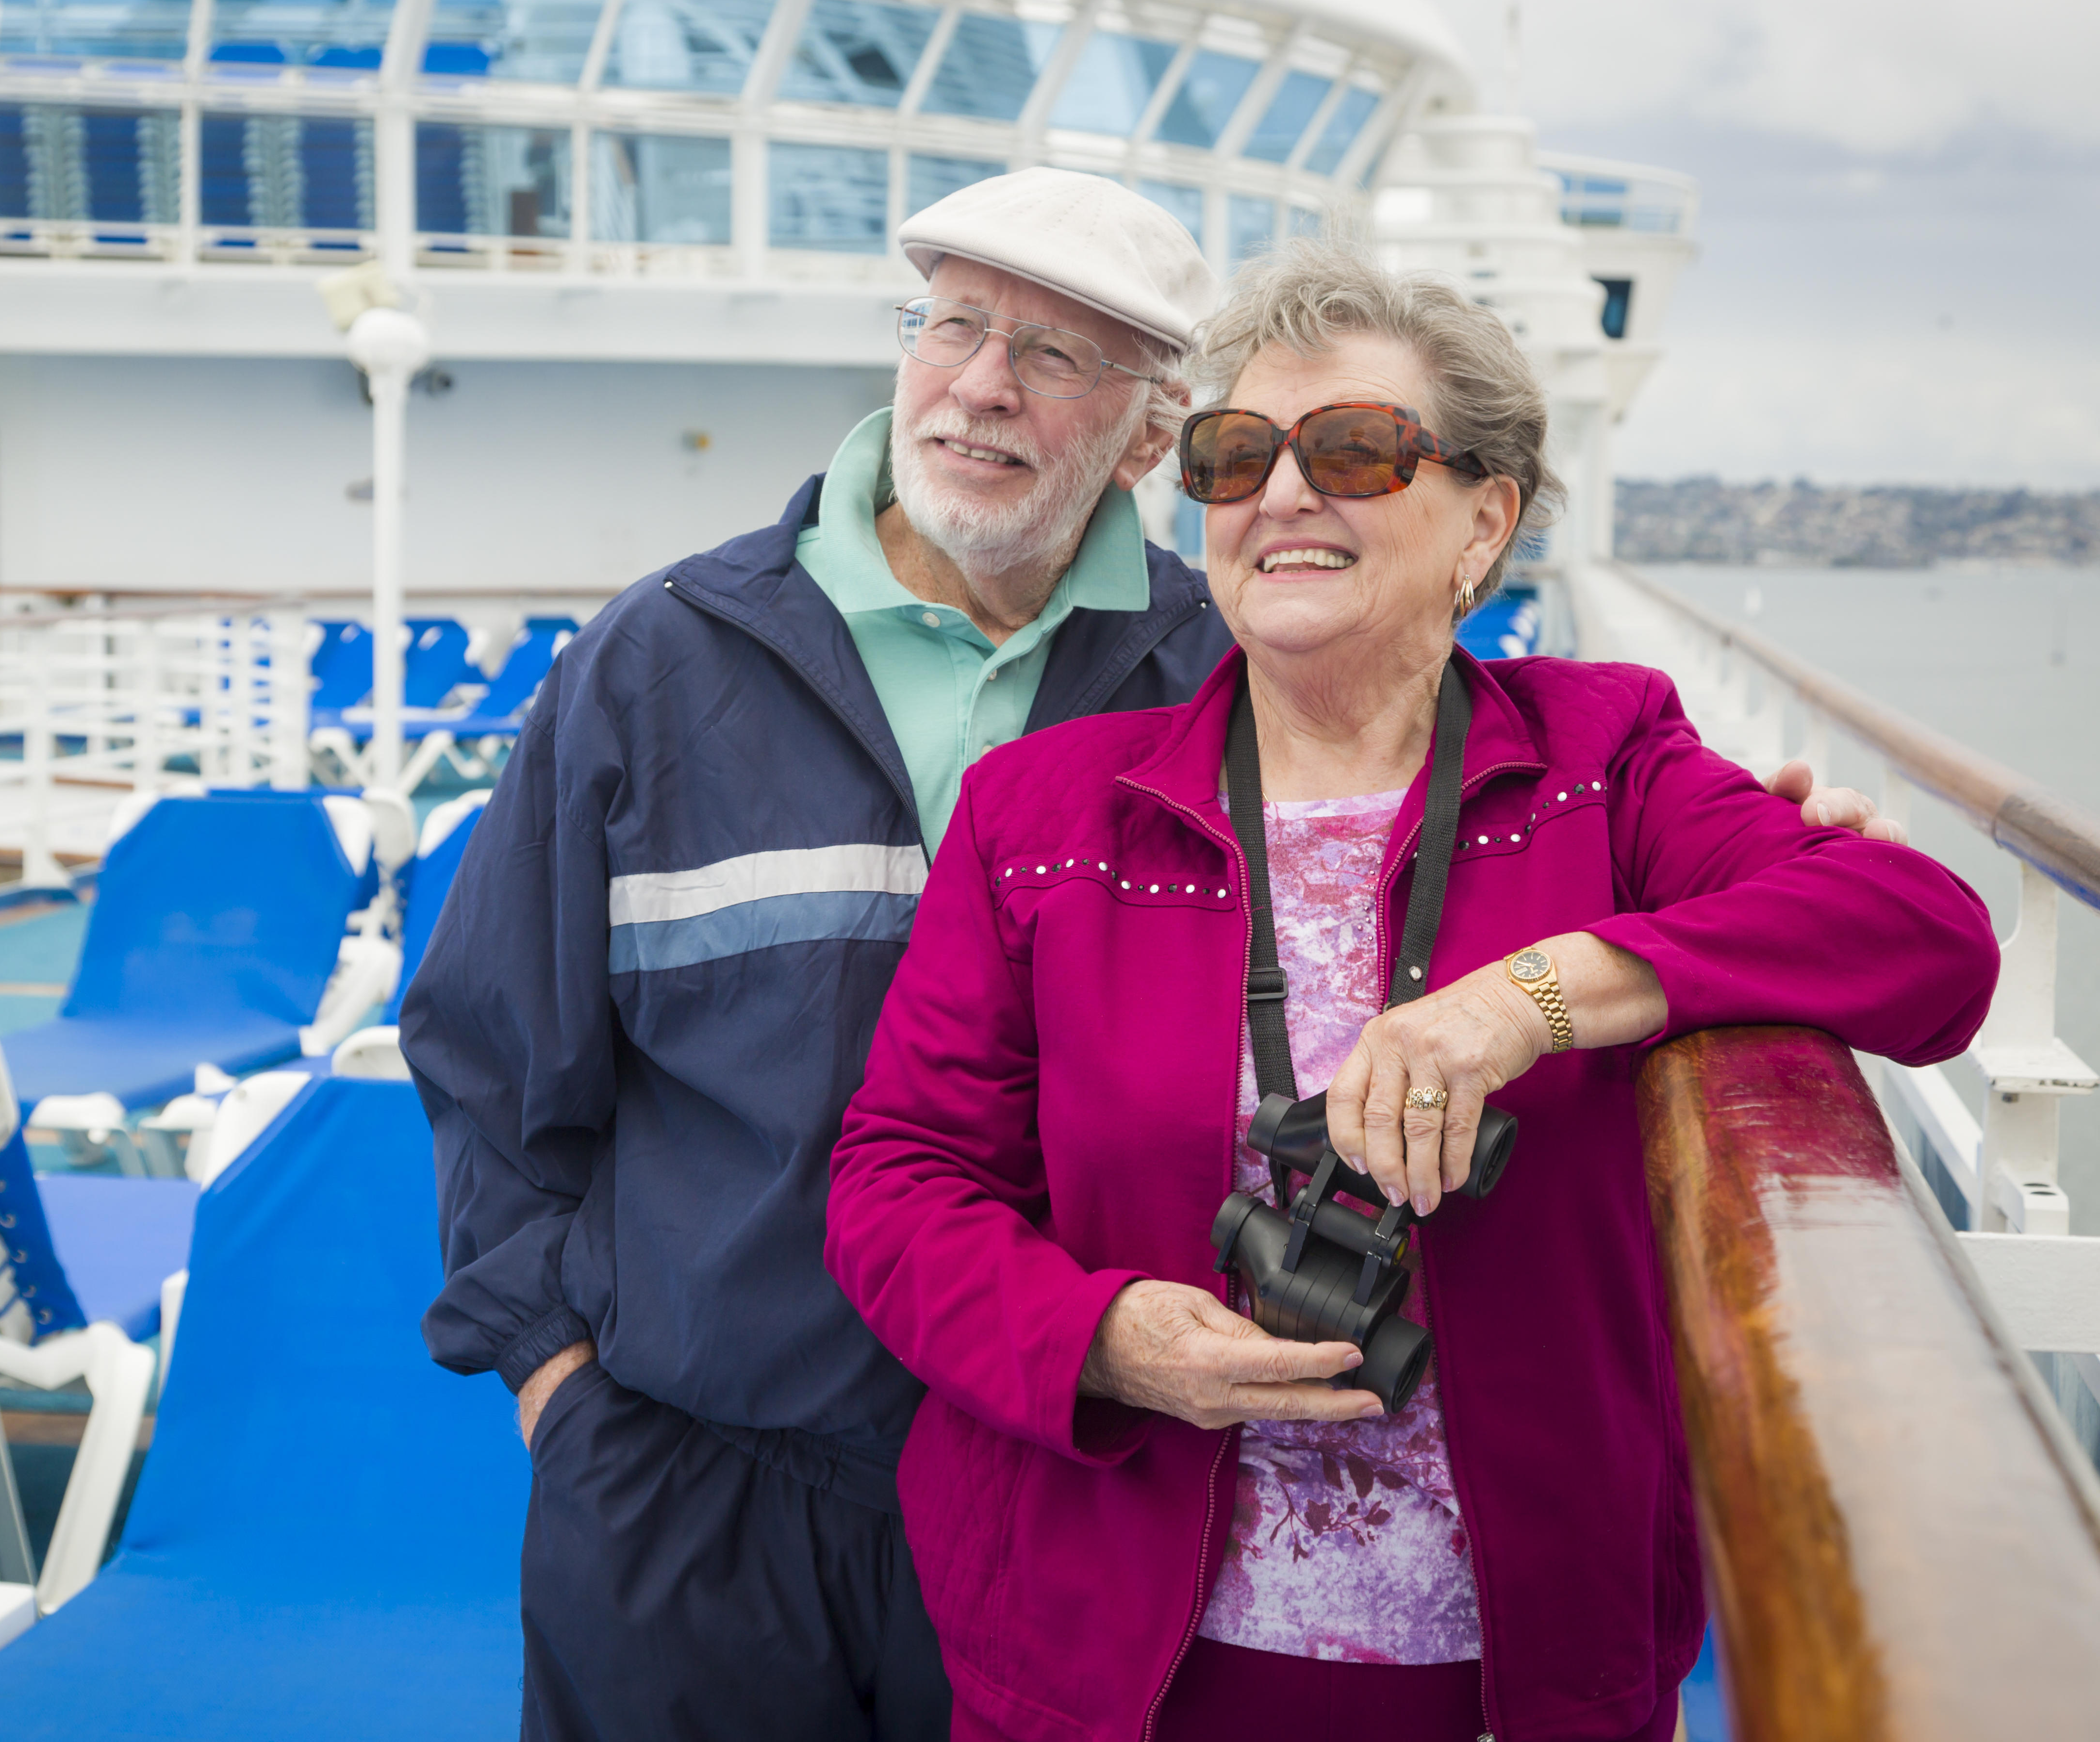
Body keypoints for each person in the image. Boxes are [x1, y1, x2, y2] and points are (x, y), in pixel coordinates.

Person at [405, 176, 1891, 1742]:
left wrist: (1728, 880)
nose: (982, 385)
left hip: (1061, 1479)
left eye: (1053, 353)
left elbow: (1461, 756)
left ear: (1141, 440)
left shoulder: (1235, 659)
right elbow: (495, 1054)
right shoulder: (660, 662)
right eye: (955, 327)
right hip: (699, 1476)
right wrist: (556, 1388)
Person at [822, 237, 1998, 1742]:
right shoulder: (1041, 815)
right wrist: (1102, 1342)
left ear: (1483, 521)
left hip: (1518, 1663)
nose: (1284, 493)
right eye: (1238, 452)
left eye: (1359, 450)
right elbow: (900, 1181)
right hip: (1106, 1650)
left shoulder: (1605, 762)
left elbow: (1926, 936)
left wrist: (1541, 995)